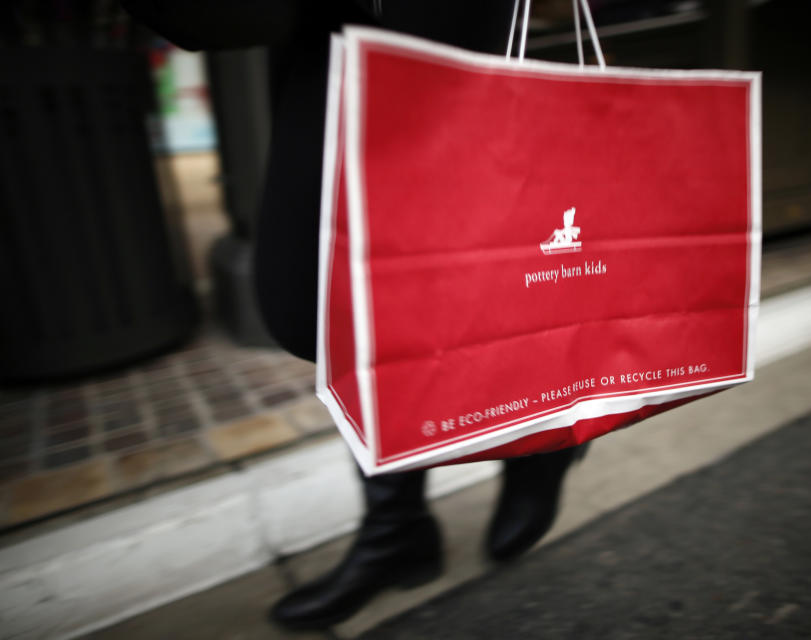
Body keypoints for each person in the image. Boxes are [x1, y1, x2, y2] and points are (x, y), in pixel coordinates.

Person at [121, 0, 586, 629]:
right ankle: (400, 527)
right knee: (319, 311)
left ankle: (531, 448)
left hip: (460, 44)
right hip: (330, 51)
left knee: (498, 278)